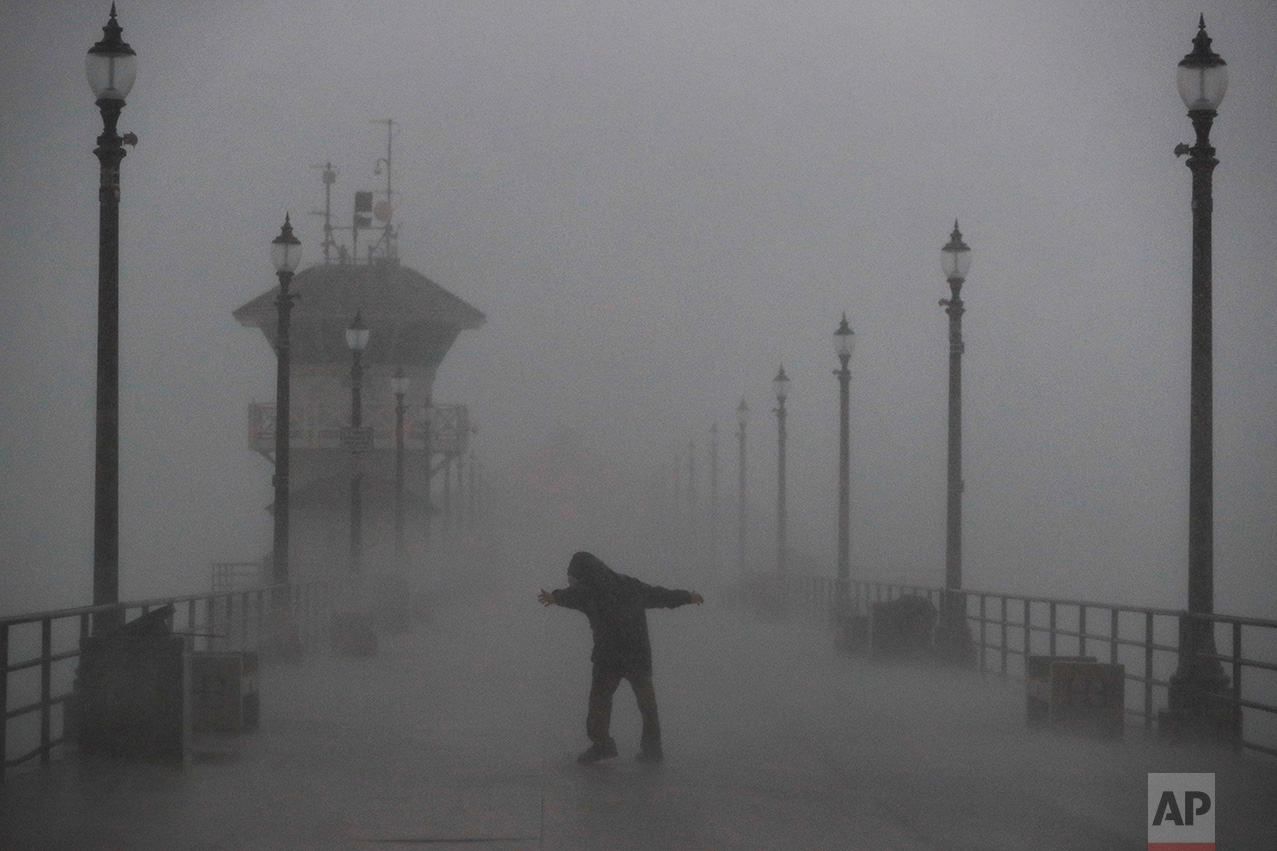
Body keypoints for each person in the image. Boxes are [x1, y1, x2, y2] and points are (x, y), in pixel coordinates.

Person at [538, 551, 703, 764]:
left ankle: (602, 745)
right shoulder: (629, 585)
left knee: (600, 701)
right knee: (646, 702)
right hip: (638, 654)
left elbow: (573, 595)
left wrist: (555, 597)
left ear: (580, 576)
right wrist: (687, 596)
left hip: (609, 657)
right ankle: (652, 748)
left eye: (572, 578)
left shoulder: (588, 590)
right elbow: (659, 595)